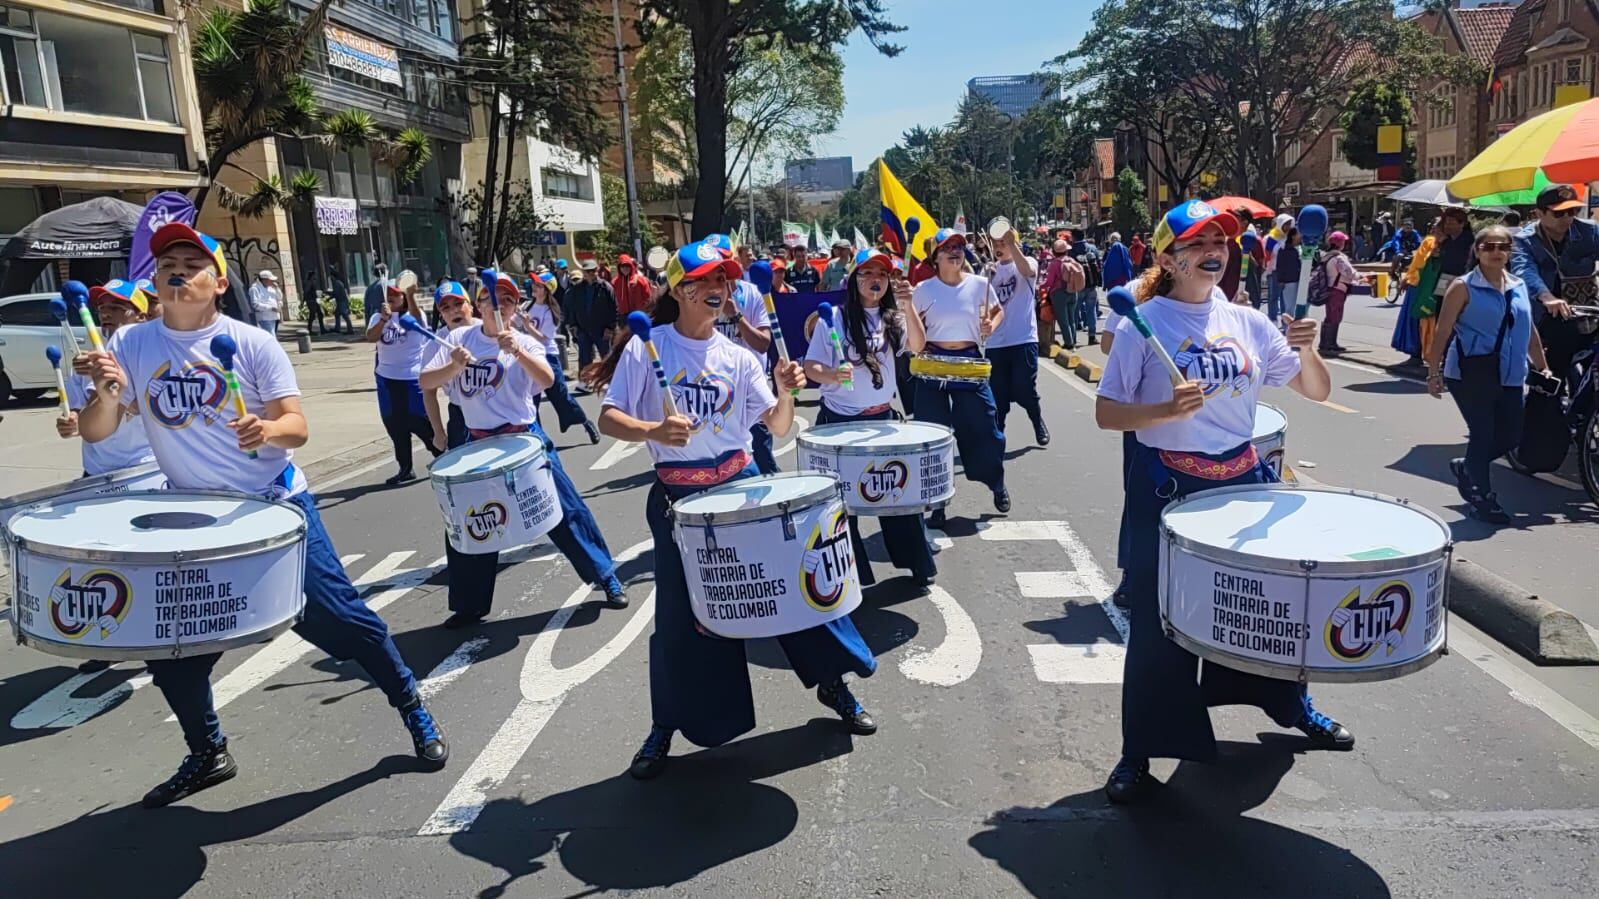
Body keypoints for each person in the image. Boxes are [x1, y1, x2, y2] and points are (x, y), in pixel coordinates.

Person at [75, 223, 448, 808]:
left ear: (218, 281)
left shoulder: (252, 343)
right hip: (196, 521)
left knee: (343, 623)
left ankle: (411, 704)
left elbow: (297, 427)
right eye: (166, 261)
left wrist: (268, 427)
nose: (176, 269)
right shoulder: (131, 347)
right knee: (172, 647)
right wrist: (102, 393)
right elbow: (99, 430)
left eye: (190, 262)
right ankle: (208, 752)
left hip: (275, 508)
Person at [592, 240, 878, 780]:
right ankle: (666, 725)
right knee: (680, 621)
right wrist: (653, 430)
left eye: (724, 278)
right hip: (679, 500)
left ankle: (833, 683)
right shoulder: (647, 347)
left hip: (741, 487)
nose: (719, 287)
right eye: (706, 280)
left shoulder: (739, 356)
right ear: (680, 289)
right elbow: (609, 419)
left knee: (790, 593)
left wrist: (784, 389)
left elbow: (778, 428)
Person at [1094, 200, 1349, 804]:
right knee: (1161, 624)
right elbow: (1107, 414)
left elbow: (1316, 390)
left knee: (1267, 609)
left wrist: (1309, 349)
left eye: (1223, 242)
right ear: (1169, 258)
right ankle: (1139, 750)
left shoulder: (1249, 321)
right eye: (1200, 243)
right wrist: (1163, 410)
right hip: (1169, 486)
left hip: (1245, 482)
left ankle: (1293, 707)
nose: (1216, 251)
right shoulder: (1141, 323)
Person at [419, 272, 627, 629]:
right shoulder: (457, 339)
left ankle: (604, 575)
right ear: (479, 304)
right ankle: (469, 605)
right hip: (478, 442)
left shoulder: (523, 342)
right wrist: (453, 365)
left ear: (516, 307)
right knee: (474, 521)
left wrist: (516, 350)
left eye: (508, 300)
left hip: (523, 438)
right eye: (490, 299)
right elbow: (425, 382)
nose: (498, 306)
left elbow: (547, 380)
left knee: (563, 509)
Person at [803, 248, 937, 589]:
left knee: (899, 493)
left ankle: (916, 563)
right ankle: (851, 575)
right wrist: (834, 375)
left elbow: (919, 346)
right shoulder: (832, 318)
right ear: (853, 280)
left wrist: (908, 306)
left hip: (883, 421)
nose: (875, 280)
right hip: (839, 424)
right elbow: (811, 367)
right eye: (867, 274)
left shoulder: (894, 317)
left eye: (882, 275)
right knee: (840, 505)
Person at [1428, 225, 1552, 523]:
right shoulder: (1463, 286)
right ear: (1478, 251)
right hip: (1472, 372)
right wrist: (1434, 372)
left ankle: (1468, 464)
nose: (1497, 252)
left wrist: (1542, 365)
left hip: (1511, 374)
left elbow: (1528, 330)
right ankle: (1483, 498)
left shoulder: (1518, 285)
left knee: (1510, 436)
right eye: (1489, 246)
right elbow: (1443, 331)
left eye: (1503, 246)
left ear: (1510, 251)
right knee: (1483, 433)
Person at [912, 228, 1010, 524]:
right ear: (935, 257)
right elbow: (910, 325)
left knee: (986, 428)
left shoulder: (981, 284)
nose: (955, 251)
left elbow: (997, 311)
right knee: (934, 437)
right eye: (947, 248)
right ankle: (938, 501)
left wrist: (990, 325)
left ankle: (996, 482)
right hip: (932, 367)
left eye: (959, 246)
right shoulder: (923, 290)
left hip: (969, 363)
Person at [704, 233, 780, 474]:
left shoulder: (751, 294)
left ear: (733, 261)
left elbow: (763, 344)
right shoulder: (701, 301)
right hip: (715, 396)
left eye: (723, 262)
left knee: (764, 462)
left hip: (750, 393)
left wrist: (736, 315)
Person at [1511, 183, 1599, 381]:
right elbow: (1524, 271)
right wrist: (1547, 297)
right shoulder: (1524, 241)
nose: (1567, 218)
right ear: (1539, 214)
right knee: (1553, 374)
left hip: (1590, 311)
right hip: (1548, 316)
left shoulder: (1589, 232)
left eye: (1572, 211)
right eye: (1559, 213)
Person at [365, 273, 446, 484]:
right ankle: (405, 467)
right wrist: (383, 319)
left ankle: (443, 457)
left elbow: (419, 320)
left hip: (411, 379)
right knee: (394, 424)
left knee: (421, 422)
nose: (390, 298)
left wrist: (411, 295)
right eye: (388, 294)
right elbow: (371, 337)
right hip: (387, 380)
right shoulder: (378, 317)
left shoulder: (414, 317)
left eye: (395, 295)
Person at [984, 226, 1049, 446]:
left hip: (1023, 338)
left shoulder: (1028, 262)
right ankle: (996, 437)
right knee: (998, 394)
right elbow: (981, 306)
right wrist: (985, 278)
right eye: (996, 243)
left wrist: (1012, 244)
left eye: (1004, 242)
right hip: (996, 342)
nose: (999, 247)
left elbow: (1027, 272)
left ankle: (1037, 420)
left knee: (1024, 388)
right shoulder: (988, 271)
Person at [522, 271, 600, 444]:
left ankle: (586, 423)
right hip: (530, 358)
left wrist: (527, 326)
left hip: (547, 357)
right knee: (530, 400)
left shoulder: (552, 312)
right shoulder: (527, 305)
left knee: (561, 396)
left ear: (547, 290)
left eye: (538, 286)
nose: (534, 287)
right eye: (534, 284)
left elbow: (544, 338)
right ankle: (537, 439)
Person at [1316, 231, 1365, 355]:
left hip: (1328, 288)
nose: (1344, 244)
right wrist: (1361, 277)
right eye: (1343, 241)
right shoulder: (1338, 258)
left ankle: (1324, 342)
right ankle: (1330, 344)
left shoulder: (1327, 256)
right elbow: (1349, 272)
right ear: (1339, 243)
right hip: (1338, 289)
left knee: (1329, 315)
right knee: (1335, 316)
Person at [563, 260, 617, 370]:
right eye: (587, 271)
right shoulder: (577, 288)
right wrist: (573, 325)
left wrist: (610, 328)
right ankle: (584, 383)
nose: (590, 273)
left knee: (606, 358)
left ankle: (609, 381)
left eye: (593, 271)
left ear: (597, 271)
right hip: (583, 330)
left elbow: (614, 309)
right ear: (583, 272)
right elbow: (573, 308)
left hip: (602, 330)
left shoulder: (606, 287)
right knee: (584, 360)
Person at [1039, 238, 1084, 350]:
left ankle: (1068, 344)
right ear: (1066, 251)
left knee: (1063, 321)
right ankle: (1073, 341)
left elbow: (1049, 282)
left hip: (1059, 294)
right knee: (1071, 318)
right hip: (1073, 291)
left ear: (1054, 252)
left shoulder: (1054, 264)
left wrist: (1040, 286)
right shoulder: (1071, 261)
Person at [612, 253, 653, 338]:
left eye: (627, 266)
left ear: (631, 266)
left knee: (640, 340)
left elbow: (648, 298)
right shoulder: (615, 282)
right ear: (619, 268)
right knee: (625, 341)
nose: (625, 268)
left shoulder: (640, 280)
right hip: (622, 317)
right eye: (622, 266)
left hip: (639, 315)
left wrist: (648, 313)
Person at [248, 271, 282, 337]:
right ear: (265, 280)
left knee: (271, 335)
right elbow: (255, 304)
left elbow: (279, 297)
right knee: (271, 337)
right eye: (271, 280)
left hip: (273, 316)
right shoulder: (255, 289)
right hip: (264, 317)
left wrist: (277, 289)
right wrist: (271, 308)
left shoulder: (271, 288)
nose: (273, 282)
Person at [329, 268, 353, 334]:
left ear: (333, 276)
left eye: (331, 277)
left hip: (342, 301)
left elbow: (336, 293)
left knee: (345, 315)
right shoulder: (338, 283)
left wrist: (329, 297)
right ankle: (337, 328)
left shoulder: (337, 283)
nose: (330, 278)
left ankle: (350, 330)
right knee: (337, 314)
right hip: (340, 301)